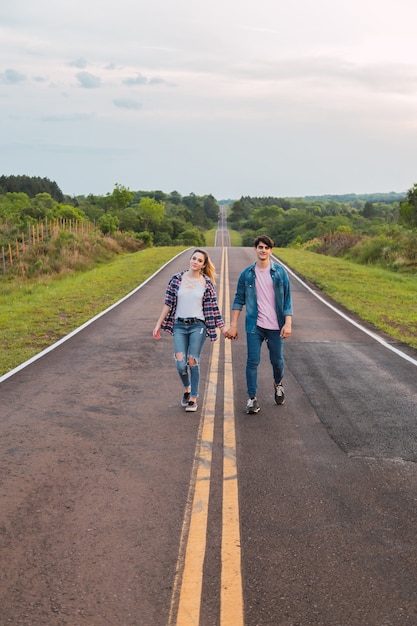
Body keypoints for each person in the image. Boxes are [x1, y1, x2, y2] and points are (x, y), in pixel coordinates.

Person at [224, 235, 293, 414]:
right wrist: (233, 325)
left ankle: (278, 384)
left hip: (276, 326)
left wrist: (288, 323)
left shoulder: (280, 273)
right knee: (252, 361)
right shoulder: (247, 274)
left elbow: (287, 300)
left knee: (277, 361)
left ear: (271, 250)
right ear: (255, 249)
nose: (263, 250)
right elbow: (239, 299)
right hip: (255, 326)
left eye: (266, 248)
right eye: (260, 247)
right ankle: (252, 399)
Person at [153, 249, 225, 412]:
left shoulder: (206, 283)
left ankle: (193, 397)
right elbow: (168, 304)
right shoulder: (176, 279)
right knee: (180, 364)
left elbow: (213, 308)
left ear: (204, 265)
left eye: (200, 260)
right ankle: (187, 388)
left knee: (192, 361)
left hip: (198, 326)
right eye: (194, 258)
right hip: (179, 325)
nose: (195, 262)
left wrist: (222, 327)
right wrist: (158, 324)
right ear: (190, 260)